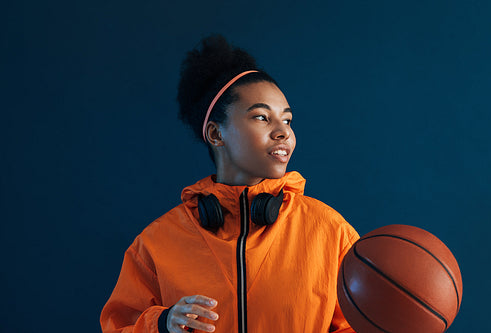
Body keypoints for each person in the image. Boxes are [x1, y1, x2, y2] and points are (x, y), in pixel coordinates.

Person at [100, 35, 359, 333]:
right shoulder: (156, 244)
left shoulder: (330, 232)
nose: (283, 133)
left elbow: (359, 324)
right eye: (262, 117)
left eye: (287, 121)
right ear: (216, 134)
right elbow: (118, 326)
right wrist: (161, 323)